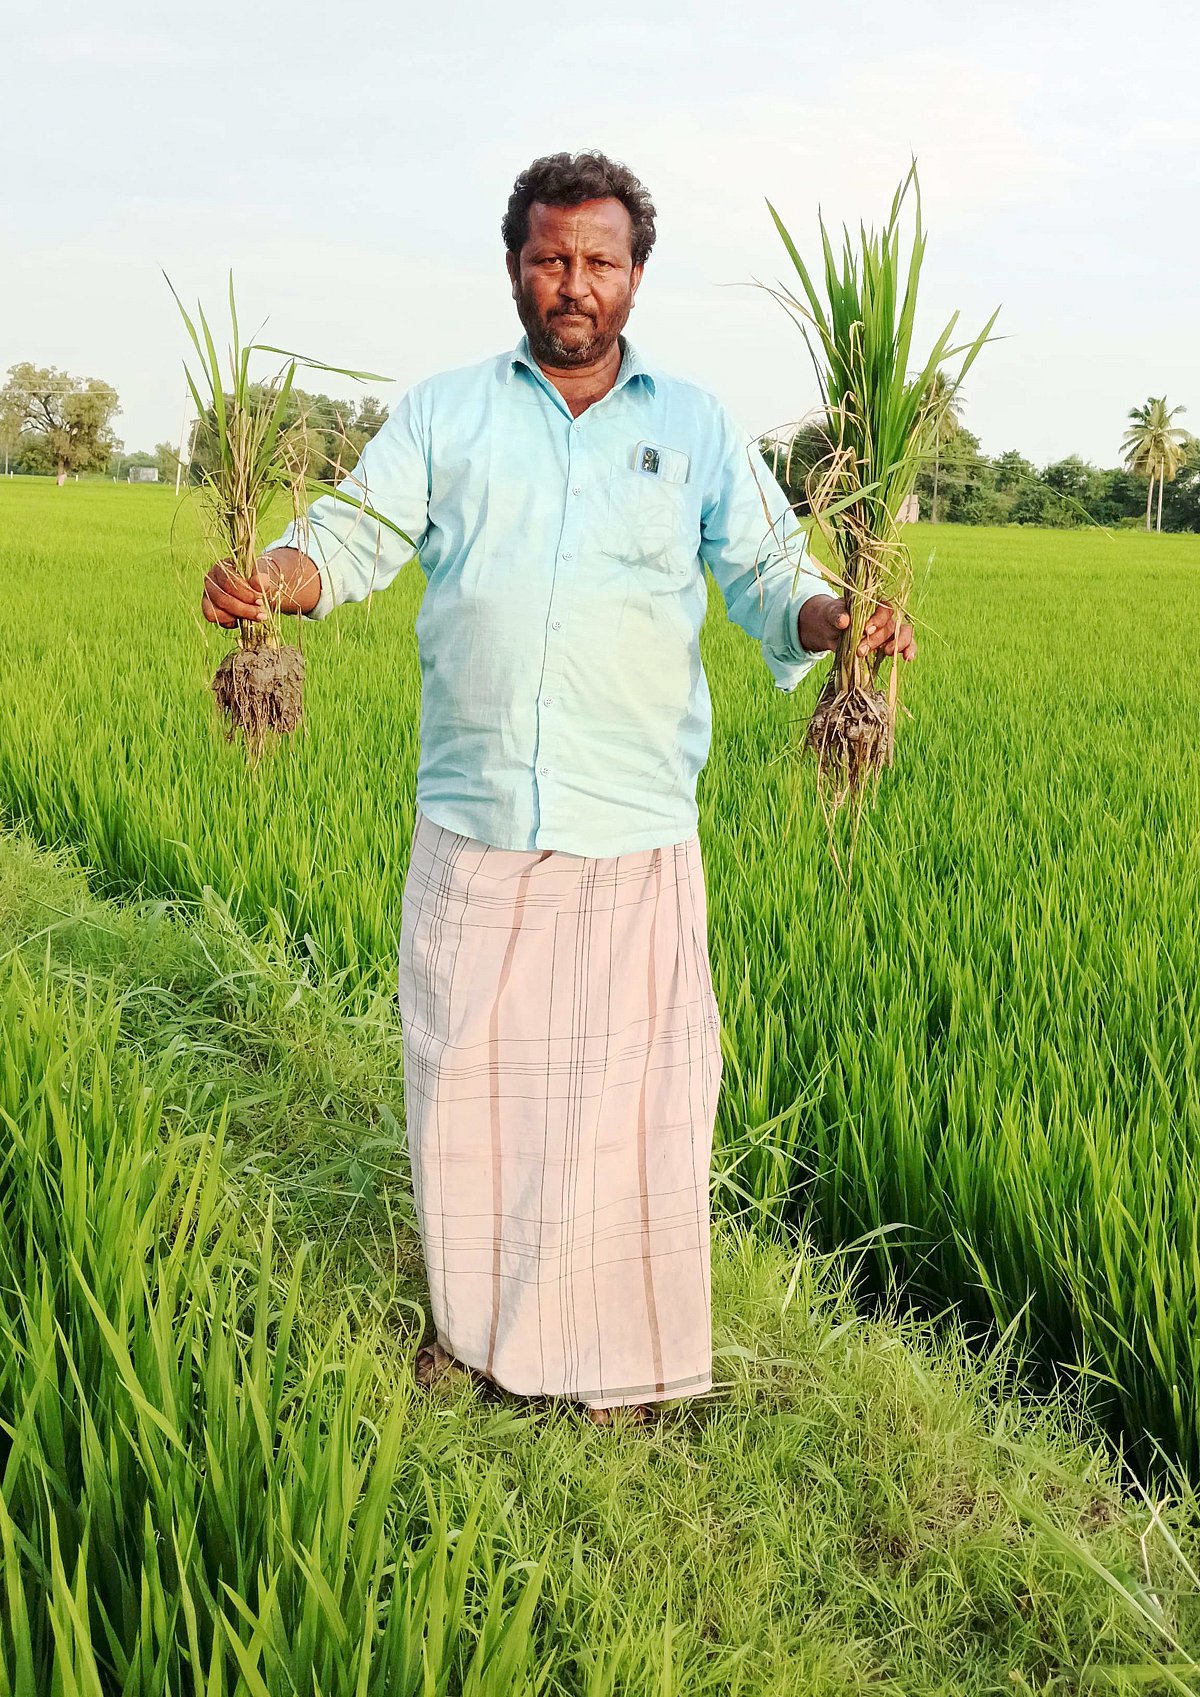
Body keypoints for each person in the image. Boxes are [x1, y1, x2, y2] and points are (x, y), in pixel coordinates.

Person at [201, 150, 916, 1425]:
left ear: (635, 275)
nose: (571, 283)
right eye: (548, 258)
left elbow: (767, 574)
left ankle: (619, 1364)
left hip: (633, 819)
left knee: (628, 1103)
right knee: (463, 1084)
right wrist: (275, 579)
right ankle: (472, 1337)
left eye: (597, 260)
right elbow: (352, 534)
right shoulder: (445, 413)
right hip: (475, 814)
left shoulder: (692, 426)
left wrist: (837, 624)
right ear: (516, 268)